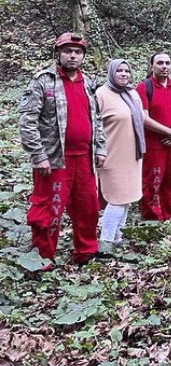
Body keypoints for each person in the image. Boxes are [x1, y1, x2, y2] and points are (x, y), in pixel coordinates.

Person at [19, 32, 106, 267]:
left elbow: (96, 118)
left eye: (77, 52)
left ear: (83, 56)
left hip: (84, 159)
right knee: (49, 209)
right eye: (67, 51)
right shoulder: (43, 81)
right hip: (55, 160)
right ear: (58, 53)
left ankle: (86, 252)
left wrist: (100, 148)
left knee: (88, 207)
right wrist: (39, 155)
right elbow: (28, 121)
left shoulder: (87, 82)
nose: (73, 56)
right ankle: (42, 258)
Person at [96, 59, 144, 245]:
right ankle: (106, 240)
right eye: (119, 71)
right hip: (111, 154)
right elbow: (94, 124)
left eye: (127, 71)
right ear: (111, 73)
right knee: (117, 198)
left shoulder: (132, 94)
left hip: (132, 154)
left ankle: (117, 236)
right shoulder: (101, 94)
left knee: (127, 197)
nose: (123, 74)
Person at [136, 52, 171, 220]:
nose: (164, 66)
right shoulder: (144, 87)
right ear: (152, 66)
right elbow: (144, 118)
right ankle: (152, 218)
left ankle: (170, 213)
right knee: (152, 182)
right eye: (160, 63)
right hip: (154, 147)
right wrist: (169, 132)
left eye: (167, 63)